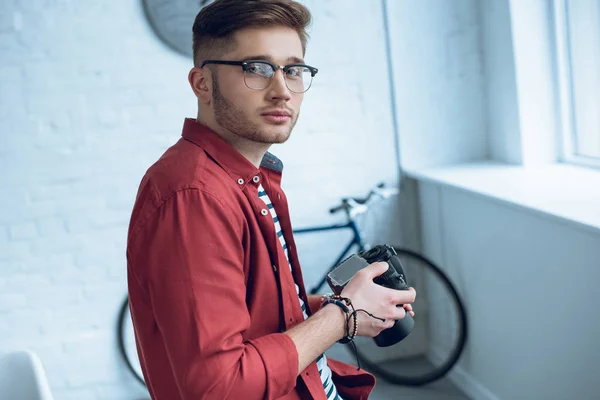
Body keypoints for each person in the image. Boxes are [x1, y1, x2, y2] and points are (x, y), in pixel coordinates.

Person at [126, 0, 417, 399]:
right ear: (202, 83)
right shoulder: (193, 196)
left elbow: (257, 321)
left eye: (294, 70)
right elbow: (221, 387)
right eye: (256, 69)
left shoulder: (250, 178)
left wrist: (351, 306)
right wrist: (341, 316)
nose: (282, 90)